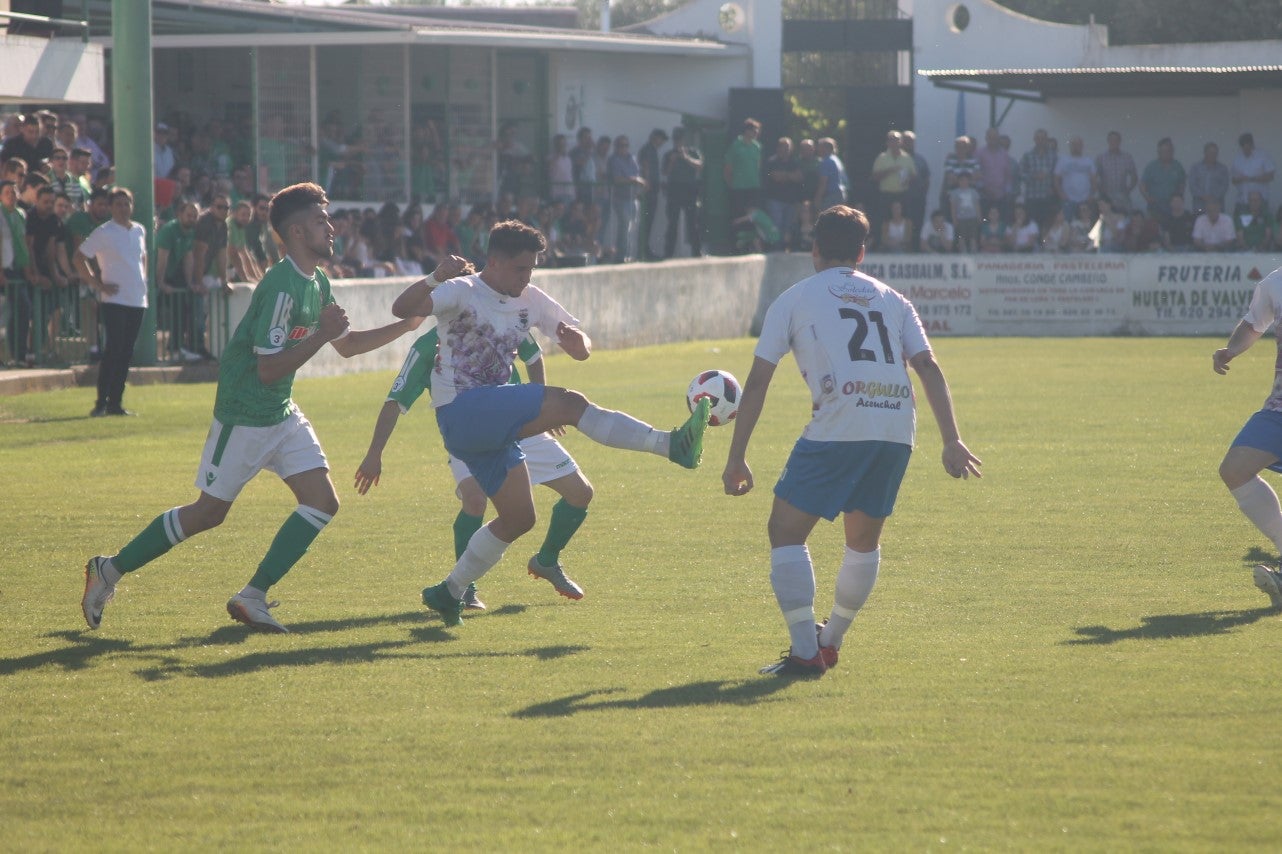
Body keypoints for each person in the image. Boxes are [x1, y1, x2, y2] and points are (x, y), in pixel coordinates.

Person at [81, 182, 425, 634]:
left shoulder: (317, 280)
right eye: (322, 221)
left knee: (322, 502)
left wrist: (410, 324)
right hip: (243, 415)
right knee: (208, 514)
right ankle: (108, 568)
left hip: (280, 414)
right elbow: (267, 370)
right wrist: (321, 334)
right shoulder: (282, 288)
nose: (332, 227)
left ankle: (252, 597)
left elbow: (349, 345)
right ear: (298, 232)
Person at [389, 219, 712, 627]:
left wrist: (580, 344)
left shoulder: (530, 298)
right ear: (495, 261)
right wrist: (436, 276)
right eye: (521, 268)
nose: (527, 277)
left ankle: (449, 591)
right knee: (569, 403)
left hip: (490, 427)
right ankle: (670, 445)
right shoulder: (461, 291)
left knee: (520, 518)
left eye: (532, 269)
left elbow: (576, 340)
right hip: (463, 411)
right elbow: (401, 309)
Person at [721, 204, 981, 677]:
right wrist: (952, 440)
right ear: (862, 252)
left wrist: (736, 456)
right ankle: (830, 641)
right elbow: (928, 366)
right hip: (896, 427)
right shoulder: (894, 299)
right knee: (862, 542)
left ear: (814, 249)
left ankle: (805, 651)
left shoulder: (794, 298)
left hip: (839, 424)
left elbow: (757, 382)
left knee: (785, 531)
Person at [356, 322, 595, 606]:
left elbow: (532, 354)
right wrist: (374, 453)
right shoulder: (425, 348)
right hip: (469, 434)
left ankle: (547, 560)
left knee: (580, 493)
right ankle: (463, 589)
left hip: (519, 425)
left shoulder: (499, 320)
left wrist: (541, 406)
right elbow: (395, 402)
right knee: (474, 500)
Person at [1212, 265, 1282, 609]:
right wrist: (1231, 350)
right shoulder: (1275, 283)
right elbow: (1255, 323)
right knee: (1235, 470)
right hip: (1279, 408)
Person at [72, 188, 148, 416]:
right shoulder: (104, 232)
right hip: (114, 298)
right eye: (118, 205)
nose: (123, 209)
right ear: (111, 207)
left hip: (136, 298)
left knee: (126, 352)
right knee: (113, 349)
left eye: (126, 204)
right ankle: (100, 402)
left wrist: (143, 281)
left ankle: (116, 402)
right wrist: (97, 284)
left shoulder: (139, 230)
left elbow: (142, 258)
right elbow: (79, 258)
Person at [662, 126, 703, 258]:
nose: (678, 142)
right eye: (676, 140)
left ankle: (697, 253)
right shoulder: (668, 155)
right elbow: (665, 172)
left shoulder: (693, 152)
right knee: (672, 224)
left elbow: (700, 166)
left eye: (680, 139)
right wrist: (672, 162)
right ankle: (668, 254)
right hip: (674, 189)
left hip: (690, 189)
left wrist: (686, 158)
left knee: (692, 224)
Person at [636, 128, 667, 261]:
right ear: (655, 137)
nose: (662, 142)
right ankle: (642, 251)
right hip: (648, 191)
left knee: (649, 222)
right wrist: (647, 183)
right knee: (646, 222)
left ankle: (645, 249)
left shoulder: (652, 150)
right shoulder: (648, 149)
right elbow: (645, 166)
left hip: (653, 190)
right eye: (661, 139)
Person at [723, 118, 762, 221]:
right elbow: (727, 168)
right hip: (738, 187)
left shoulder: (757, 147)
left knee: (752, 217)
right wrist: (732, 185)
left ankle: (750, 237)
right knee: (738, 216)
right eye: (754, 130)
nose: (756, 132)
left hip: (753, 186)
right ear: (747, 131)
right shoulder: (736, 145)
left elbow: (757, 166)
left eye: (757, 130)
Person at [1139, 137, 1185, 221]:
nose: (1167, 153)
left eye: (1169, 151)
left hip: (1172, 208)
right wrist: (1148, 198)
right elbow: (1142, 185)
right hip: (1155, 207)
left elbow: (1182, 184)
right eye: (1164, 151)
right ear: (1159, 152)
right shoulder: (1151, 167)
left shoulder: (1178, 166)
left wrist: (1179, 200)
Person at [1231, 132, 1275, 215]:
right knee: (1239, 225)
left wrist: (1251, 179)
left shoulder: (1263, 156)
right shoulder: (1237, 159)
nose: (1246, 149)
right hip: (1242, 201)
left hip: (1260, 200)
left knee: (1261, 225)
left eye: (1248, 146)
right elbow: (1233, 180)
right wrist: (1240, 179)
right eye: (1243, 147)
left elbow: (1271, 176)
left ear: (1252, 144)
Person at [1054, 136, 1097, 221]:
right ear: (1070, 146)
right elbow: (1056, 180)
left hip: (1085, 200)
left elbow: (1094, 181)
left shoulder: (1089, 161)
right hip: (1068, 200)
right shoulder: (1063, 160)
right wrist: (1062, 196)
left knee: (1086, 224)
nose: (1075, 147)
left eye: (1078, 144)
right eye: (1073, 144)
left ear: (1082, 146)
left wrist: (1091, 196)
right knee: (1067, 224)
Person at [1094, 131, 1138, 214]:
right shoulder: (1101, 158)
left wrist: (1128, 190)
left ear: (1120, 141)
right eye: (1111, 140)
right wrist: (1100, 190)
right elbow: (1094, 177)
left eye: (1116, 140)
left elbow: (1134, 176)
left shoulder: (1127, 157)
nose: (1114, 142)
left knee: (1125, 220)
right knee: (1107, 220)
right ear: (1108, 141)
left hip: (1122, 196)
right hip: (1106, 196)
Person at [1188, 142, 1230, 216]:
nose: (1213, 155)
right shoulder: (1196, 168)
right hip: (1199, 206)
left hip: (1217, 207)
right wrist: (1203, 196)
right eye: (1210, 152)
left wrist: (1212, 198)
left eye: (1215, 153)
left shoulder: (1223, 169)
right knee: (1199, 224)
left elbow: (1224, 186)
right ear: (1205, 153)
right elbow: (1192, 185)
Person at [813, 137, 848, 215]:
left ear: (825, 148)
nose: (817, 149)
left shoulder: (826, 161)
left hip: (831, 196)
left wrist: (817, 198)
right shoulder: (836, 160)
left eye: (819, 146)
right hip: (841, 194)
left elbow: (823, 182)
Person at [949, 170, 981, 253]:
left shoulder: (973, 192)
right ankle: (963, 253)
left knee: (973, 236)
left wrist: (979, 217)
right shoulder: (955, 193)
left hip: (972, 217)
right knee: (961, 237)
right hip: (961, 218)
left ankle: (974, 252)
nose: (964, 182)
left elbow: (977, 206)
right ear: (958, 181)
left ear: (969, 181)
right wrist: (954, 219)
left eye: (966, 180)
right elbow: (953, 207)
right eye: (962, 180)